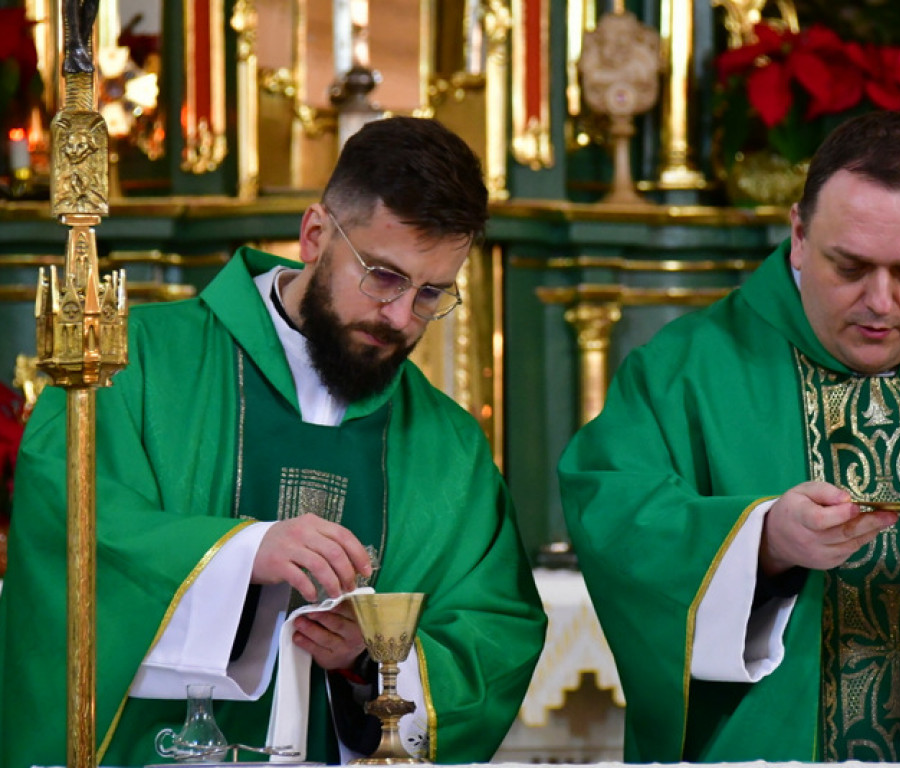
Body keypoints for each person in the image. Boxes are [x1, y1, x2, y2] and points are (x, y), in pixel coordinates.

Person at [0, 116, 546, 767]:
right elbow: (69, 526)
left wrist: (368, 659)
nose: (401, 317)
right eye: (383, 276)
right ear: (315, 234)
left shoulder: (448, 447)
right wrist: (242, 553)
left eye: (431, 294)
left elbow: (494, 633)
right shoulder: (132, 362)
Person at [559, 111, 900, 763]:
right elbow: (618, 518)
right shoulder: (687, 371)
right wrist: (764, 542)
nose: (880, 302)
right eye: (851, 266)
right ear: (801, 235)